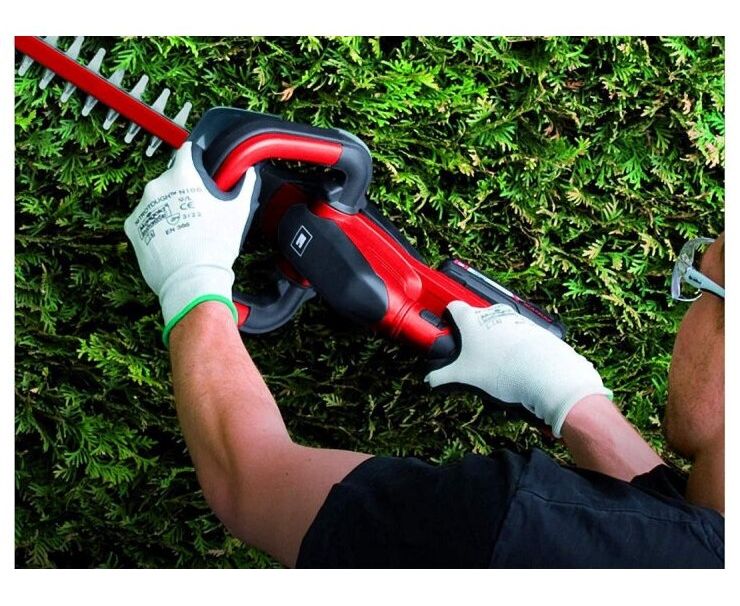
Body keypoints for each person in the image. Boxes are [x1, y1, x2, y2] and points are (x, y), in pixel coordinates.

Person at [124, 143, 724, 568]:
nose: (689, 314)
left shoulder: (522, 541)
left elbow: (251, 482)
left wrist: (191, 282)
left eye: (701, 284)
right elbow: (684, 534)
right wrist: (576, 401)